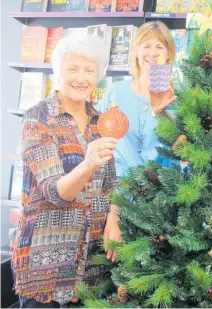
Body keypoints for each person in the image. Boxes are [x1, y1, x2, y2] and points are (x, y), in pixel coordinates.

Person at [11, 35, 122, 308]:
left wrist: (114, 217)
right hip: (44, 263)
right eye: (73, 69)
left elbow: (111, 183)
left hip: (91, 265)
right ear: (58, 71)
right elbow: (55, 191)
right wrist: (88, 163)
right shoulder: (38, 118)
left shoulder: (101, 121)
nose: (81, 78)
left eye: (89, 70)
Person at [97, 21, 177, 177]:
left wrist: (162, 114)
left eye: (159, 47)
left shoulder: (176, 95)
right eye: (146, 46)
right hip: (120, 189)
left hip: (163, 188)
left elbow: (182, 143)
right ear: (136, 51)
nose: (152, 53)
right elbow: (95, 133)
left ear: (168, 54)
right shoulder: (116, 92)